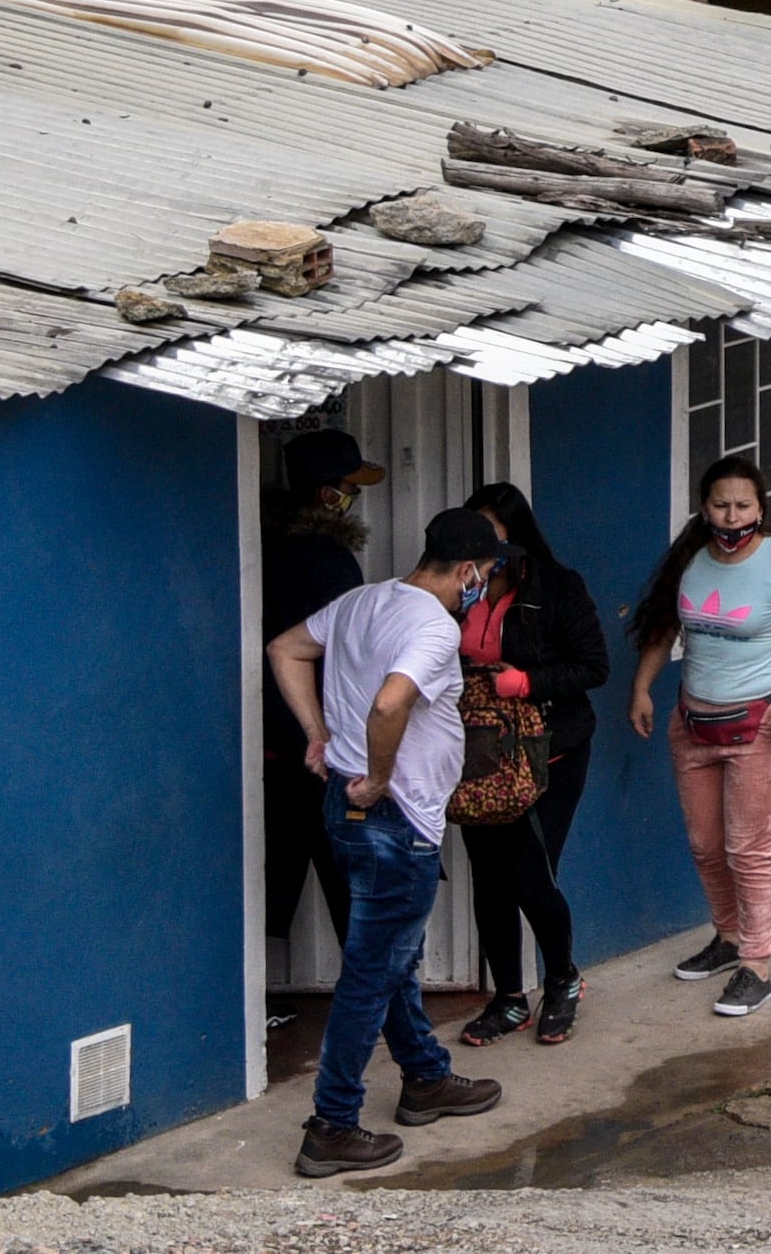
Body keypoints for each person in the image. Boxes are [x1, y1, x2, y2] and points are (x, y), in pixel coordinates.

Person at [267, 504, 511, 1177]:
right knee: (371, 972)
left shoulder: (361, 599)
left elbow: (284, 648)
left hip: (344, 810)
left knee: (389, 953)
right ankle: (332, 1124)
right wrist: (378, 775)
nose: (484, 586)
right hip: (393, 818)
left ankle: (426, 1078)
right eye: (486, 573)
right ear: (467, 569)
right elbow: (388, 703)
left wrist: (318, 736)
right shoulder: (433, 627)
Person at [626, 454, 771, 1020]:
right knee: (705, 845)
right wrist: (643, 689)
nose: (730, 516)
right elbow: (662, 628)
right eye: (720, 505)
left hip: (761, 727)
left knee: (749, 849)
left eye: (742, 505)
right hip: (693, 725)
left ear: (760, 509)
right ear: (704, 508)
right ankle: (726, 938)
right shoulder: (690, 559)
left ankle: (757, 965)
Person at [453, 480, 608, 1050]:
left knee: (529, 873)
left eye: (491, 535)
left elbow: (593, 667)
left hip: (549, 751)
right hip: (478, 751)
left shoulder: (557, 586)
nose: (480, 547)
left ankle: (563, 979)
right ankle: (509, 997)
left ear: (516, 536)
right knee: (488, 879)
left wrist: (527, 681)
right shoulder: (456, 587)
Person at [259, 426, 379, 967]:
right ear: (328, 494)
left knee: (273, 872)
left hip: (277, 737)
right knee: (351, 875)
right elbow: (347, 653)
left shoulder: (268, 549)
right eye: (350, 486)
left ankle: (255, 1005)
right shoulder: (328, 560)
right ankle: (372, 994)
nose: (357, 495)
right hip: (321, 740)